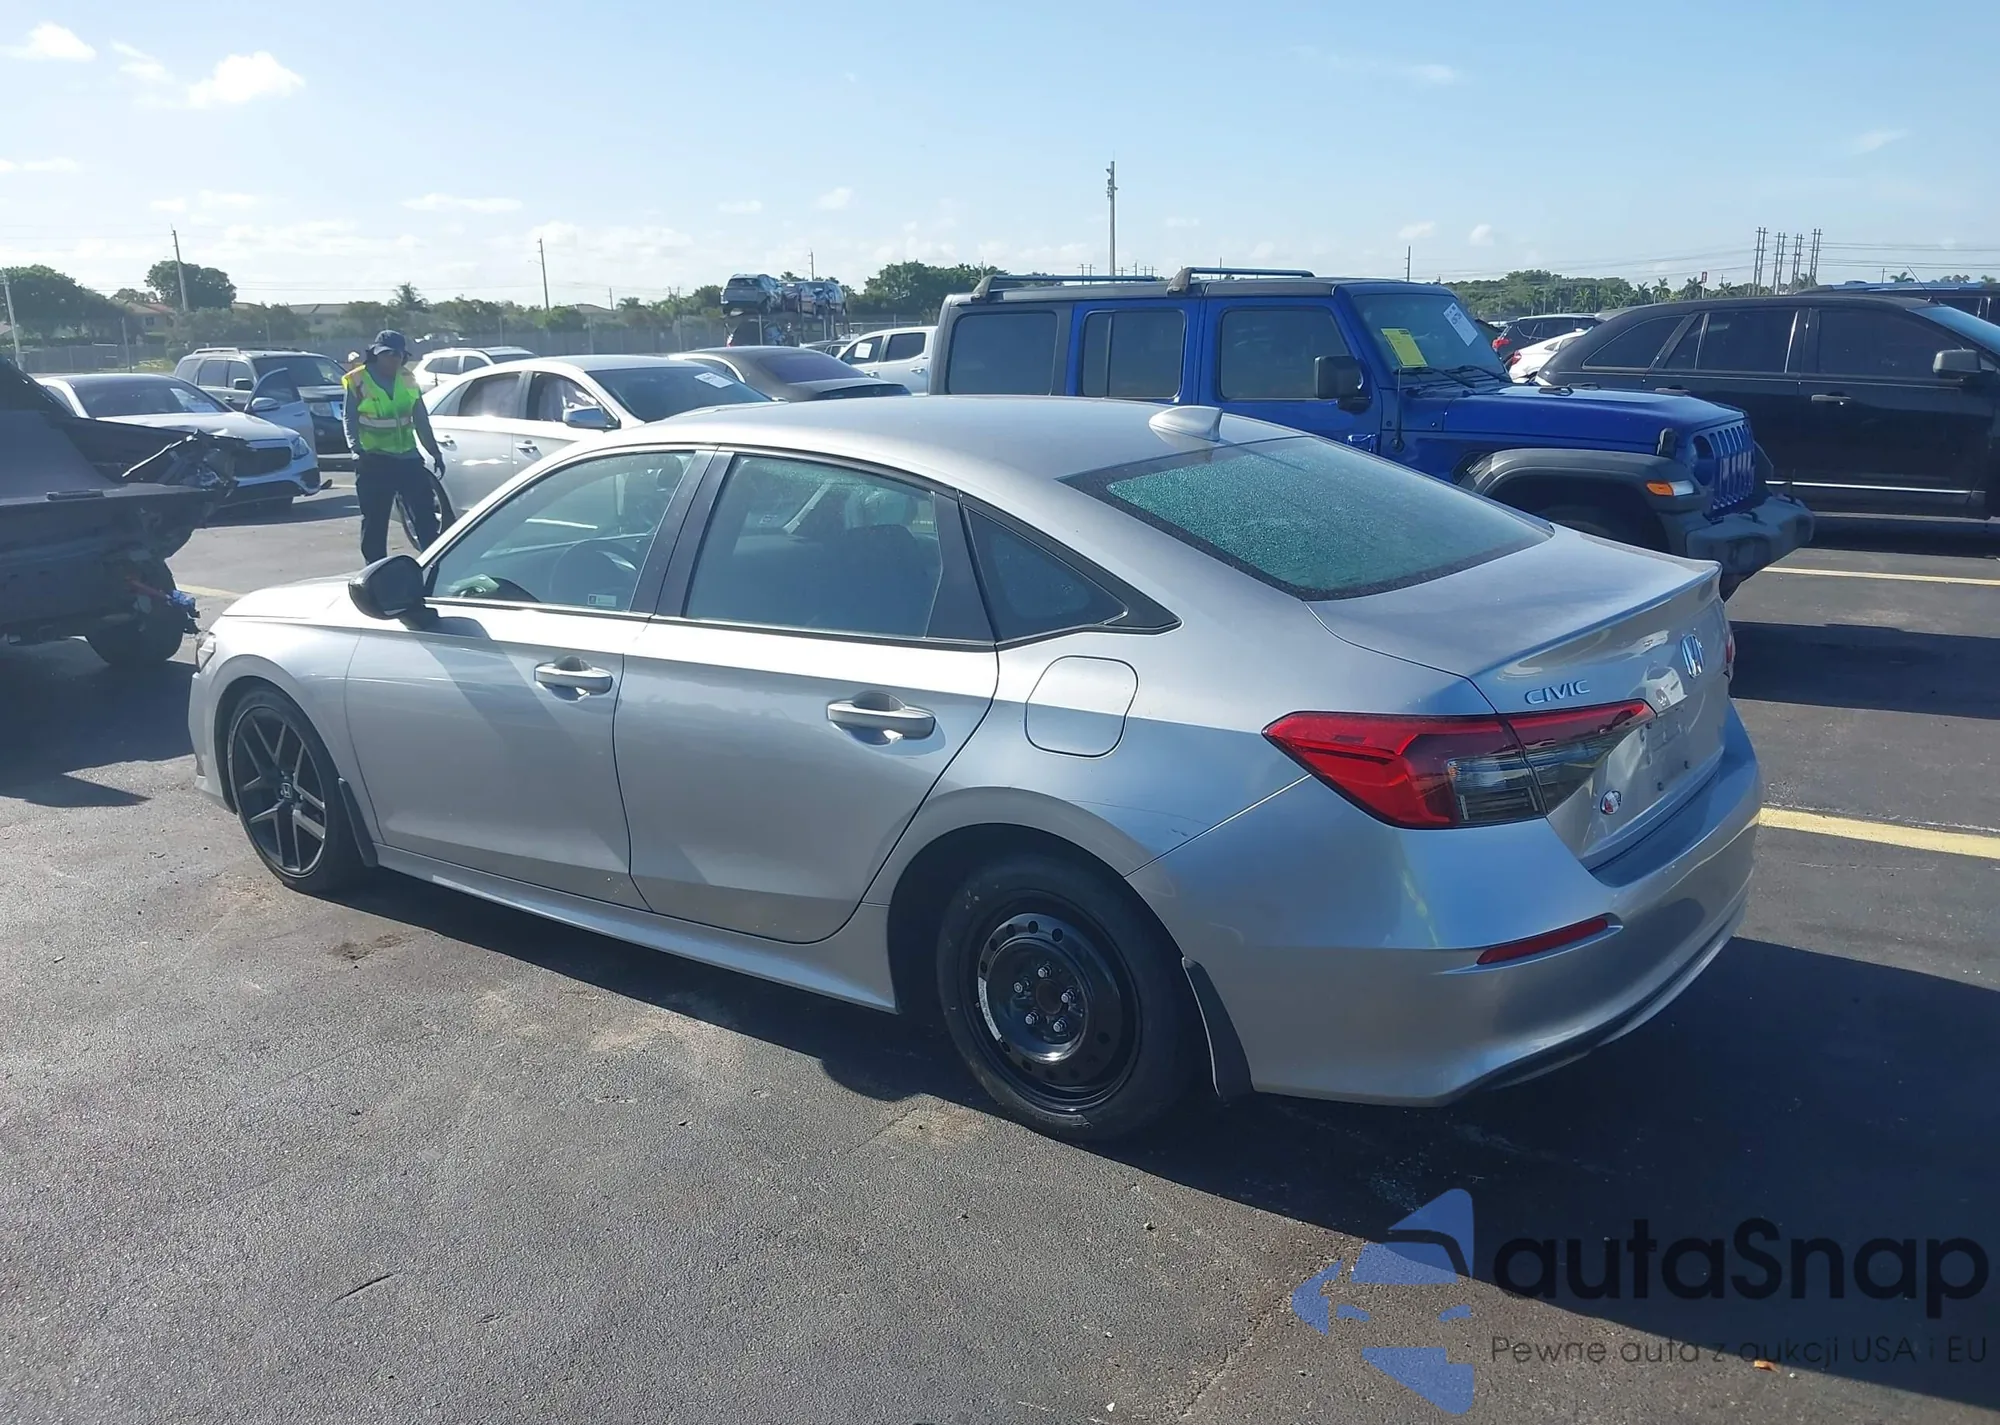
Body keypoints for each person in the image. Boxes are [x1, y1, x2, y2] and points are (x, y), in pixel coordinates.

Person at [342, 330, 446, 564]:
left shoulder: (408, 378)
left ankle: (432, 566)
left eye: (397, 355)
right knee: (375, 522)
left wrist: (434, 452)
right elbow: (349, 418)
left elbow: (421, 418)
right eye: (387, 354)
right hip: (374, 460)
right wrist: (356, 449)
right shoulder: (357, 380)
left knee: (425, 517)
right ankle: (375, 571)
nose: (393, 359)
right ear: (376, 354)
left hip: (408, 458)